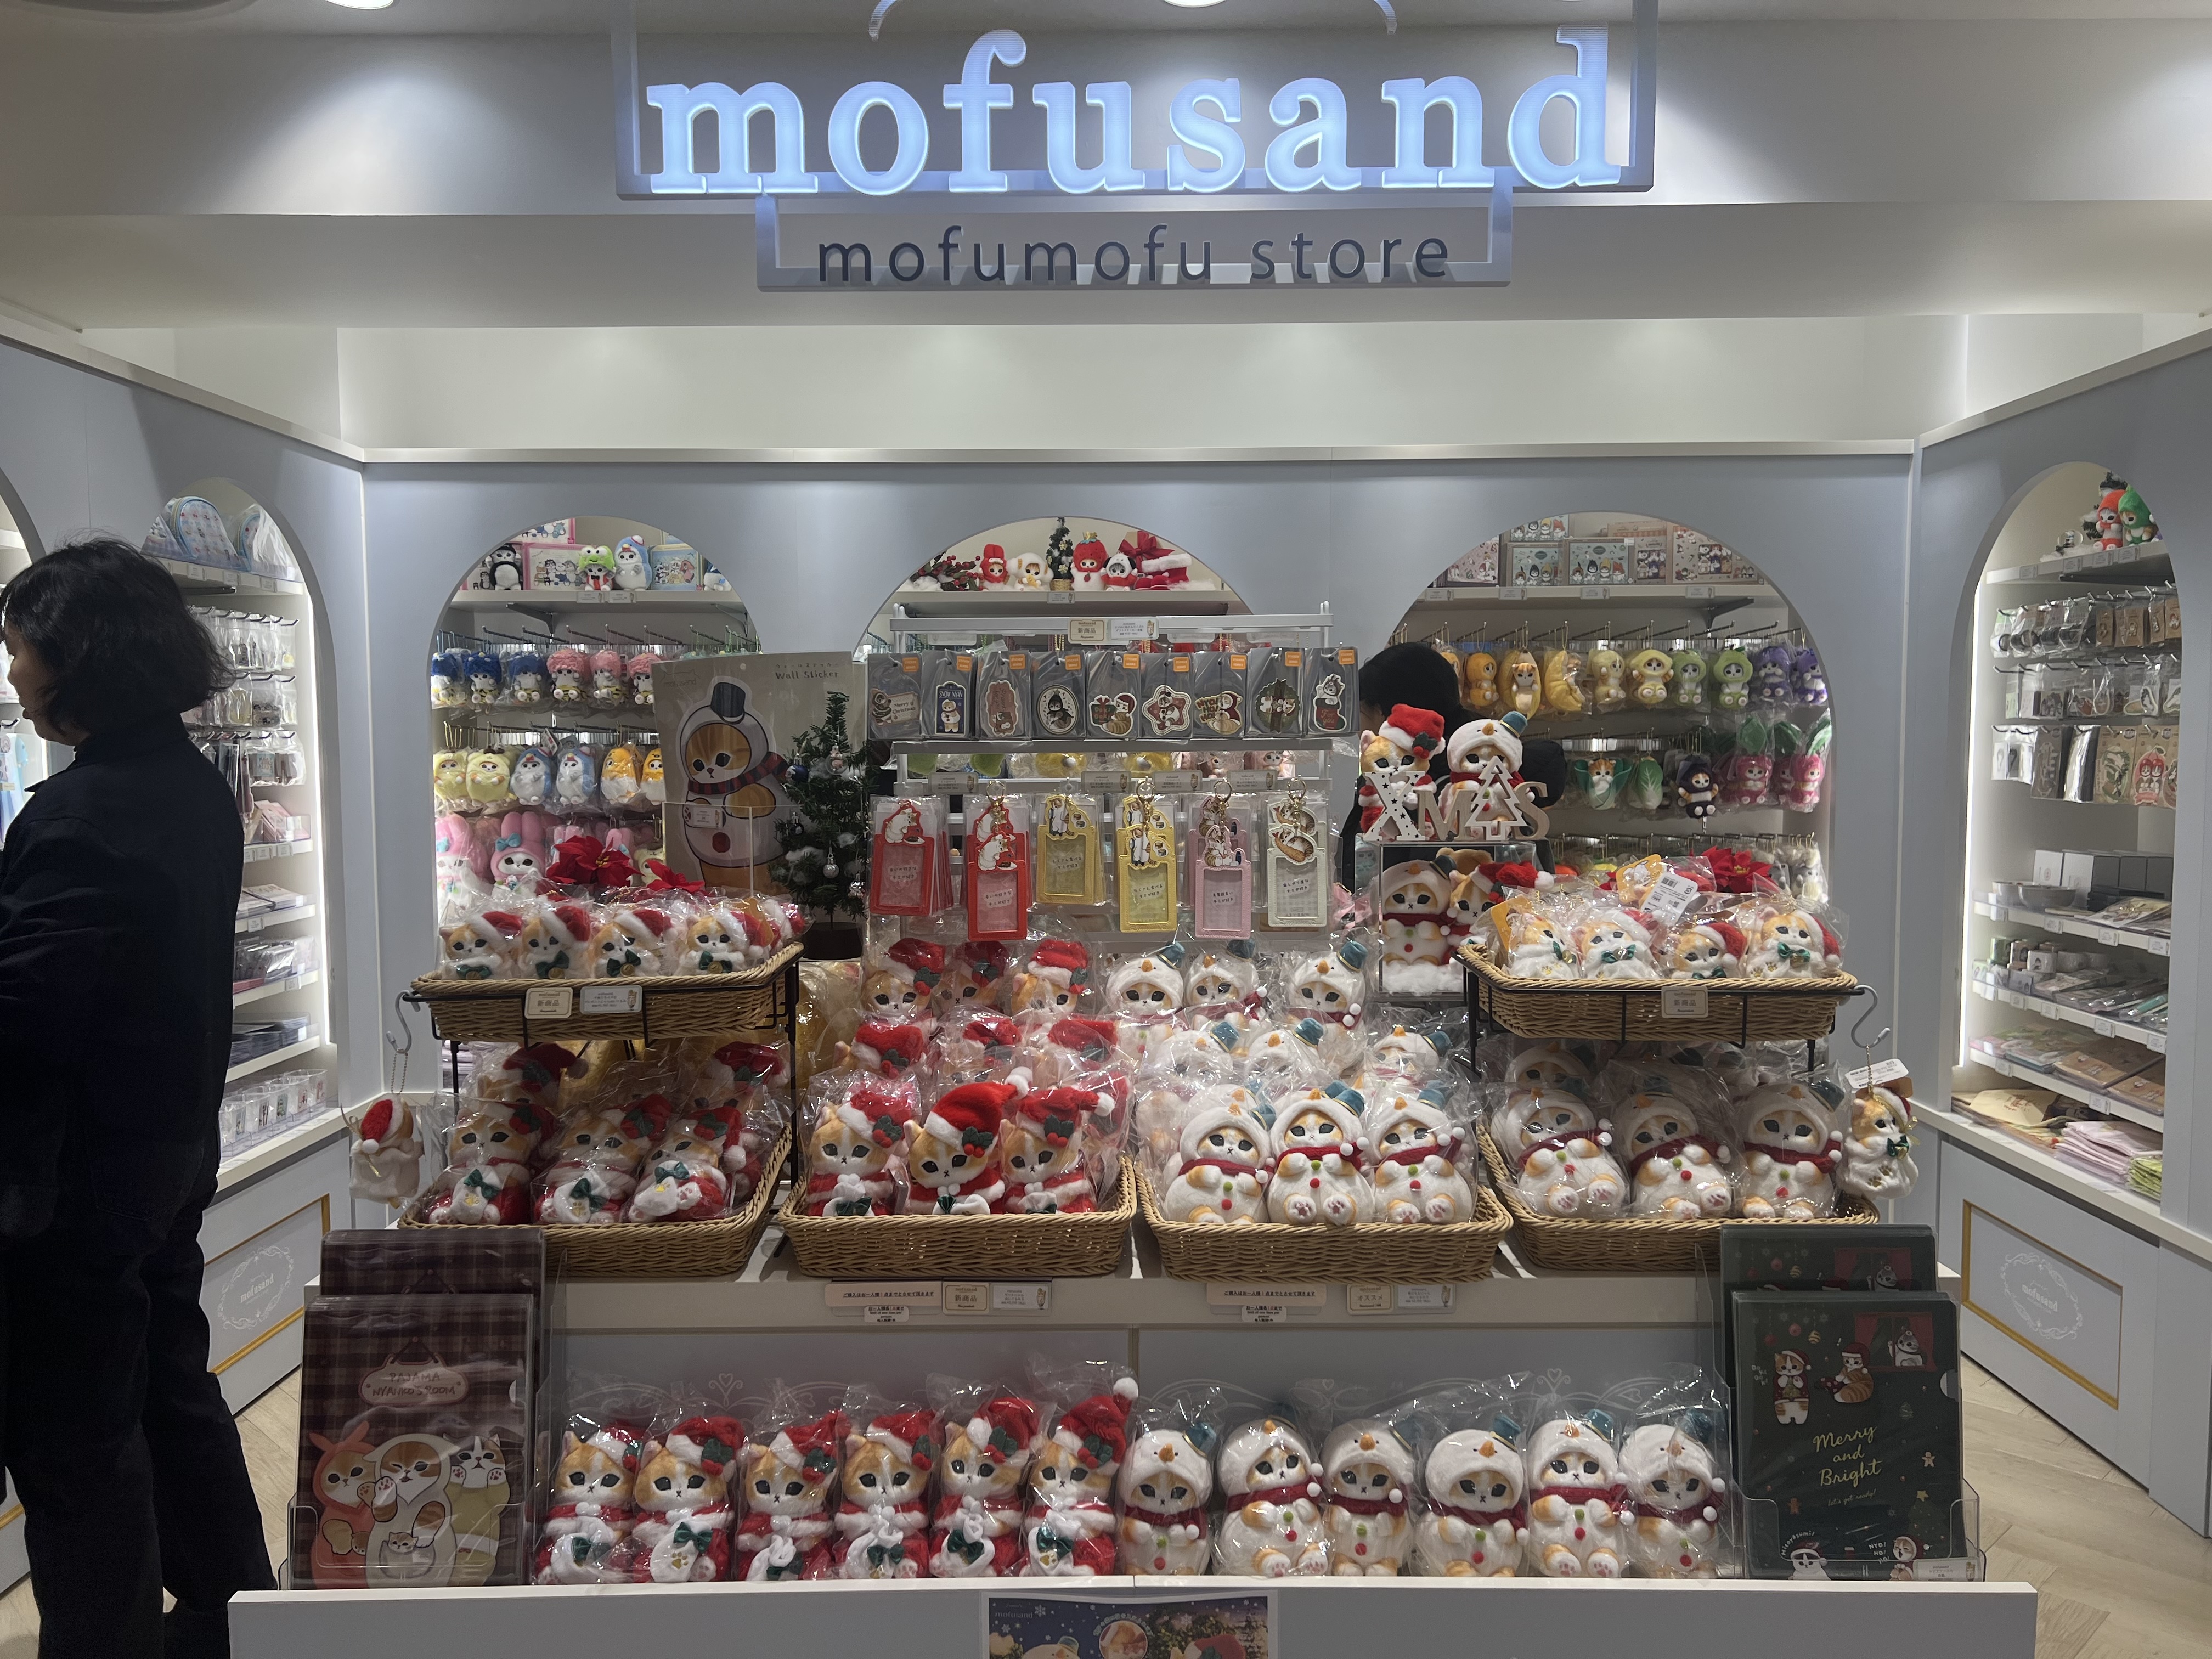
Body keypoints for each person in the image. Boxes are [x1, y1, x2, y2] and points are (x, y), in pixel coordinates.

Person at [0, 539, 273, 1657]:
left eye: (21, 651)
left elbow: (30, 1020)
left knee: (77, 1440)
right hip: (167, 1145)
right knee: (168, 1382)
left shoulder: (81, 816)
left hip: (71, 1178)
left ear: (79, 657)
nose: (14, 674)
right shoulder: (191, 785)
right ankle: (236, 1613)